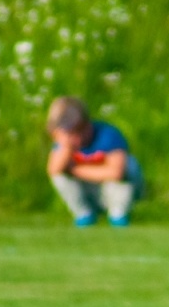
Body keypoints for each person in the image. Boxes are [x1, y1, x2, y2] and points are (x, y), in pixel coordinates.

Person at [45, 96, 141, 227]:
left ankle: (118, 215)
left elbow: (116, 172)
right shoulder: (65, 143)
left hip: (111, 189)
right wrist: (66, 146)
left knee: (129, 164)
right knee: (60, 175)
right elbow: (54, 170)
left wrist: (74, 170)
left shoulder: (108, 135)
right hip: (87, 189)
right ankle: (84, 215)